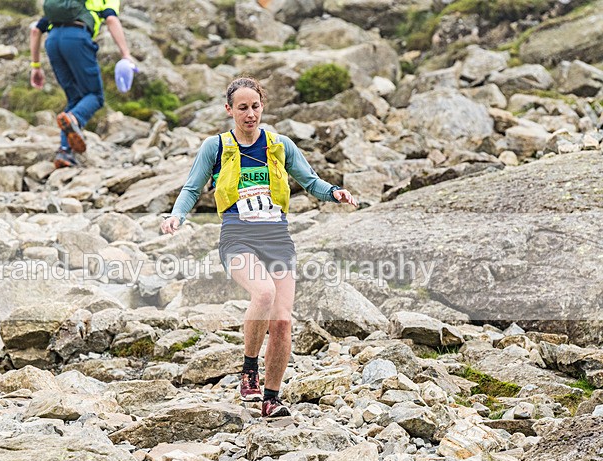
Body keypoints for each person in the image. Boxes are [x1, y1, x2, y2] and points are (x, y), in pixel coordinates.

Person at [160, 77, 358, 417]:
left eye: (255, 107)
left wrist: (334, 192)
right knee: (263, 293)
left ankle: (271, 398)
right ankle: (248, 370)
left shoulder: (279, 144)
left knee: (282, 321)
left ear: (262, 106)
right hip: (238, 236)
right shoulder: (216, 147)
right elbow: (191, 189)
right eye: (242, 108)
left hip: (277, 238)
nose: (250, 114)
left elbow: (310, 181)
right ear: (229, 110)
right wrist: (177, 217)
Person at [29, 0, 135, 168]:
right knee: (95, 96)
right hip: (77, 38)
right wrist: (126, 54)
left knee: (75, 98)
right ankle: (74, 118)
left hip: (53, 40)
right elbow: (111, 19)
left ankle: (65, 152)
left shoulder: (61, 4)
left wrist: (35, 66)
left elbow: (36, 30)